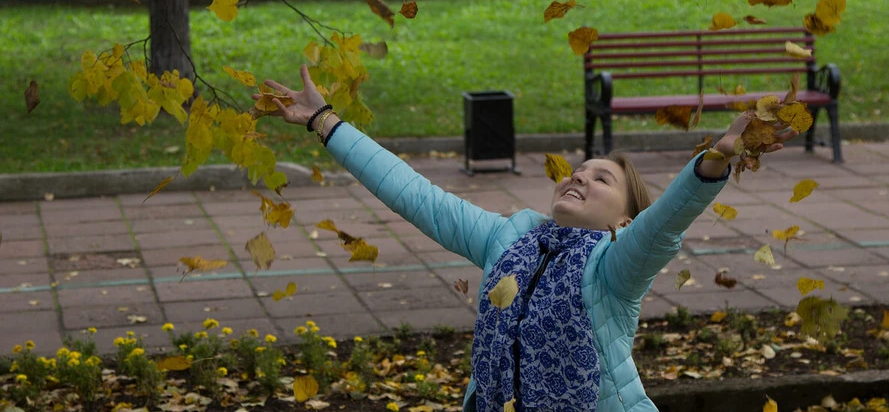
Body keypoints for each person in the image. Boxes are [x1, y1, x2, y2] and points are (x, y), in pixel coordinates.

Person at [255, 65, 798, 412]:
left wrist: (715, 160)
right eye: (579, 170)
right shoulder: (506, 238)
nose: (580, 176)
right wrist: (325, 122)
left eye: (601, 178)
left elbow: (665, 224)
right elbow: (414, 194)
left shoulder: (617, 266)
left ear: (623, 221)